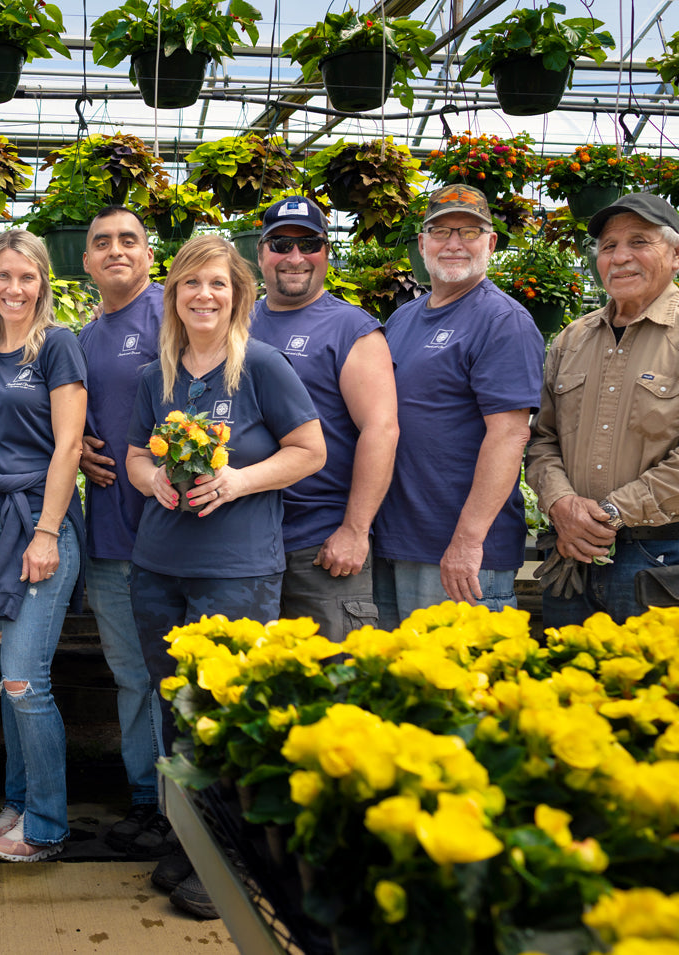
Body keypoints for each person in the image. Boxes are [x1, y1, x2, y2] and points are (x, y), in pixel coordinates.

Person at [125, 234, 325, 918]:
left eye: (217, 283)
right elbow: (130, 454)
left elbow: (310, 450)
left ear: (238, 294)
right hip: (159, 568)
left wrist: (238, 480)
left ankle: (229, 854)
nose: (203, 295)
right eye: (190, 284)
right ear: (173, 296)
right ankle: (190, 834)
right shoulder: (157, 374)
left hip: (237, 572)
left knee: (226, 712)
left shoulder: (261, 367)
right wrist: (152, 476)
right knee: (172, 701)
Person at [525, 194, 679, 626]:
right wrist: (560, 503)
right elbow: (543, 439)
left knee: (654, 687)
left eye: (639, 241)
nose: (620, 257)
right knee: (566, 684)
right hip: (571, 553)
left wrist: (609, 513)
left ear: (677, 253)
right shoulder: (571, 341)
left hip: (661, 557)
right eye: (608, 246)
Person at [0, 230, 87, 863]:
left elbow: (69, 447)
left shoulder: (58, 347)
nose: (14, 289)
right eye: (3, 276)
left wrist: (45, 533)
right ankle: (18, 801)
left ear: (43, 283)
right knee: (5, 675)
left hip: (39, 524)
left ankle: (48, 823)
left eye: (26, 277)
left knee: (25, 681)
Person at [371, 184, 545, 625]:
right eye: (441, 231)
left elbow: (509, 435)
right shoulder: (404, 318)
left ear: (490, 243)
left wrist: (468, 542)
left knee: (462, 687)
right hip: (395, 543)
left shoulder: (503, 321)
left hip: (459, 556)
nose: (453, 244)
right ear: (422, 243)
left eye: (469, 232)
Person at [248, 195, 398, 642]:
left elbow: (382, 429)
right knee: (252, 690)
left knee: (334, 689)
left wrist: (355, 530)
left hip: (321, 545)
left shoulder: (351, 328)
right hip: (245, 541)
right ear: (260, 254)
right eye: (280, 244)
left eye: (309, 243)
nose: (295, 257)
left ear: (326, 254)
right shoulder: (238, 322)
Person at [75, 206, 170, 857]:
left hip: (175, 533)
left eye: (127, 240)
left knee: (179, 674)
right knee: (133, 676)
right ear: (84, 261)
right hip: (110, 534)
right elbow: (74, 417)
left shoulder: (171, 312)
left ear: (148, 253)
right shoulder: (84, 336)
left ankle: (185, 802)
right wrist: (78, 445)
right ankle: (146, 799)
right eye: (101, 241)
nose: (115, 250)